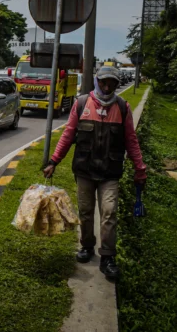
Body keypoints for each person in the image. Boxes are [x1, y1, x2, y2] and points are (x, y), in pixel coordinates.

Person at [42, 66, 146, 280]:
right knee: (86, 211)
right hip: (85, 170)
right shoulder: (81, 104)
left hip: (110, 172)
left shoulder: (122, 108)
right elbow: (68, 135)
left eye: (112, 84)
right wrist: (54, 161)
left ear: (117, 85)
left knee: (109, 211)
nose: (107, 87)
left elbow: (131, 141)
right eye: (104, 82)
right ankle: (87, 246)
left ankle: (108, 256)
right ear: (97, 81)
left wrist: (140, 168)